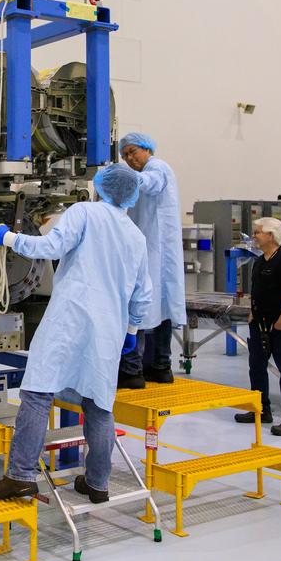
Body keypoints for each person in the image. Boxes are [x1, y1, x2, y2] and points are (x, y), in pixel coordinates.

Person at [0, 165, 152, 503]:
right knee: (99, 404)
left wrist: (7, 238)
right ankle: (97, 483)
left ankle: (20, 476)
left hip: (71, 317)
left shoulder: (84, 212)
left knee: (37, 392)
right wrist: (132, 328)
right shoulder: (136, 235)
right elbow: (143, 292)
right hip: (109, 327)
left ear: (101, 189)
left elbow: (51, 248)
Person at [116, 132, 186, 388]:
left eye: (132, 151)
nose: (129, 158)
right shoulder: (146, 172)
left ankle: (133, 371)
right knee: (162, 308)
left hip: (152, 252)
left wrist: (115, 174)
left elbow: (150, 183)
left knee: (143, 307)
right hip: (157, 250)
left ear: (146, 148)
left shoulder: (158, 167)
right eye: (125, 156)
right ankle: (161, 367)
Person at [235, 217, 281, 436]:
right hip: (259, 324)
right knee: (256, 367)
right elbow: (257, 291)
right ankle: (261, 409)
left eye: (257, 233)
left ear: (271, 236)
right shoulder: (260, 261)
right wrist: (252, 313)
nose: (254, 236)